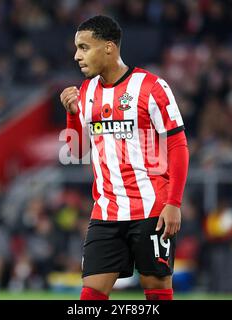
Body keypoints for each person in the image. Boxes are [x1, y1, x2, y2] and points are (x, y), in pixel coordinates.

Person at [59, 15, 189, 300]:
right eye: (77, 48)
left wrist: (174, 203)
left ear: (108, 47)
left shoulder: (152, 87)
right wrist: (71, 115)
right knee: (91, 293)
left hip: (151, 210)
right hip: (106, 211)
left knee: (156, 289)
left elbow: (178, 145)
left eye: (84, 47)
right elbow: (78, 152)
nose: (76, 56)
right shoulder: (86, 93)